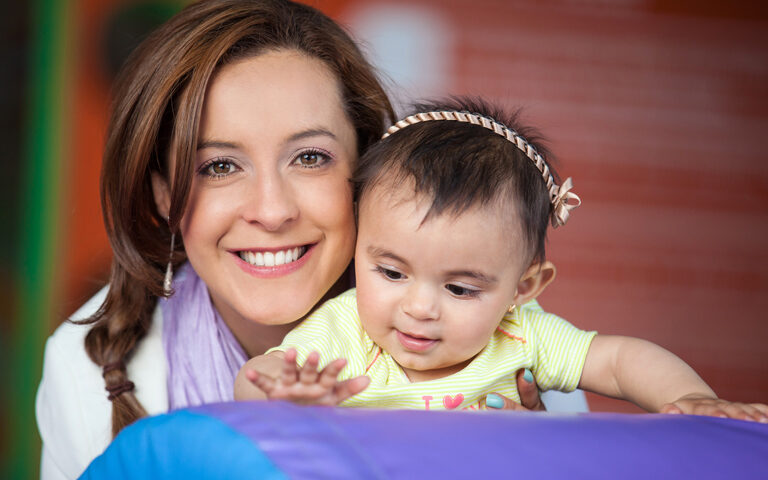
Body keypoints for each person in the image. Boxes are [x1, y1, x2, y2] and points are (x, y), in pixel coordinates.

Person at [34, 2, 546, 479]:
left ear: (366, 168)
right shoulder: (83, 369)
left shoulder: (491, 320)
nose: (273, 210)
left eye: (310, 158)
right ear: (165, 194)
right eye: (219, 166)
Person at [235, 98, 768, 420]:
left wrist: (694, 400)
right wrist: (285, 392)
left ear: (524, 287)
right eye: (391, 272)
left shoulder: (522, 335)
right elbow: (256, 376)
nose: (420, 307)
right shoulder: (344, 331)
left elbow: (622, 360)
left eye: (461, 289)